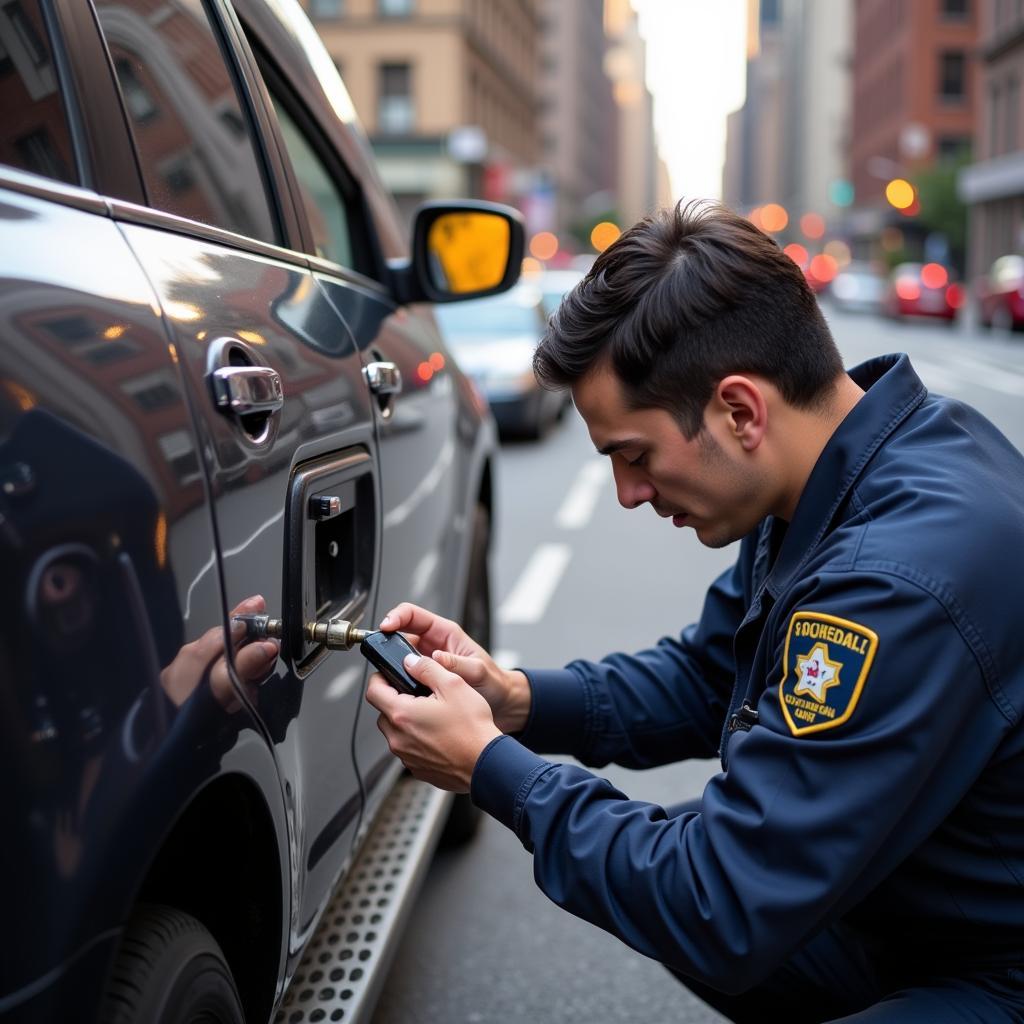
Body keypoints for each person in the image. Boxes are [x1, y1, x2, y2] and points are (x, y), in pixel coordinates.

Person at [364, 200, 1024, 1023]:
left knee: (680, 885)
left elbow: (723, 902)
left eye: (634, 457)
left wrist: (491, 769)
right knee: (649, 864)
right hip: (909, 905)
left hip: (992, 967)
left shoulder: (895, 576)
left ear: (740, 411)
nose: (629, 494)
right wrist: (513, 700)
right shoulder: (842, 470)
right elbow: (709, 674)